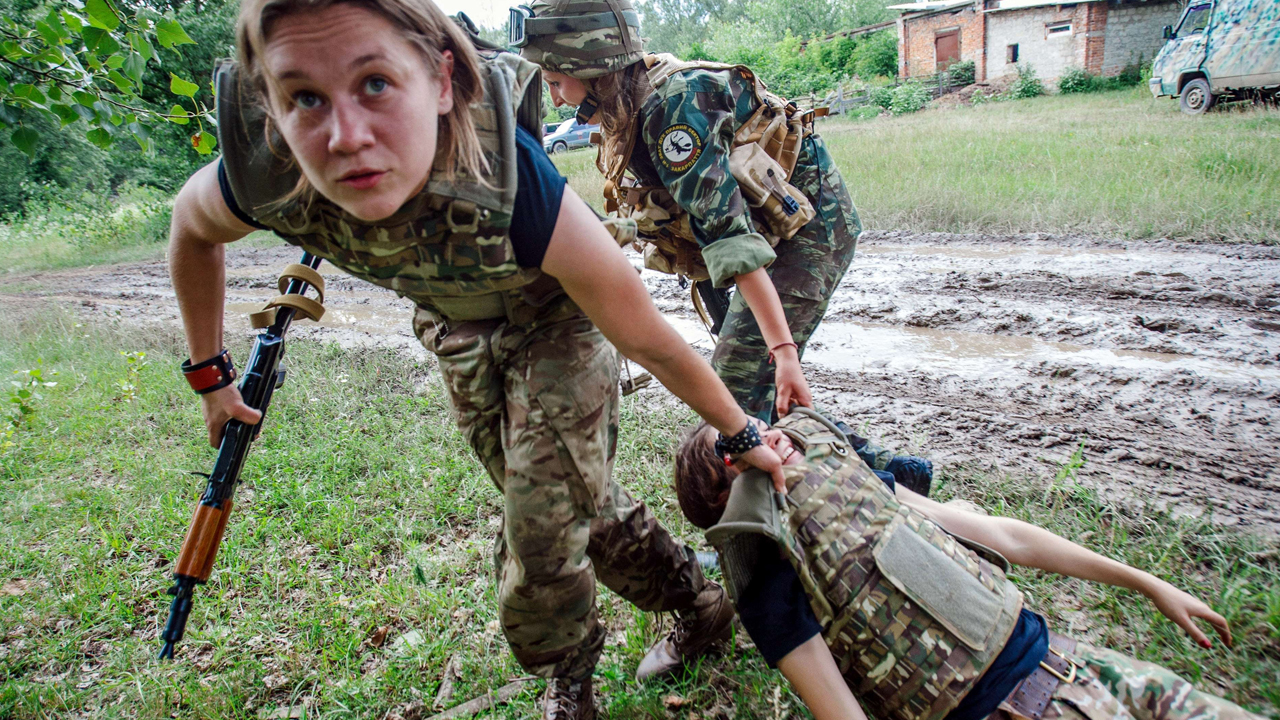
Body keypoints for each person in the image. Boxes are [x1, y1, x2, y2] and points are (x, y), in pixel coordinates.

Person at [165, 0, 792, 716]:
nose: (344, 136)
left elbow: (644, 333)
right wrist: (209, 374)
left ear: (440, 81)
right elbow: (191, 229)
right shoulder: (267, 171)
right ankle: (698, 601)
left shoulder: (514, 183)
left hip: (556, 323)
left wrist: (741, 433)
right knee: (578, 501)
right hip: (456, 331)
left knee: (540, 535)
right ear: (270, 107)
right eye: (304, 97)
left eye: (374, 84)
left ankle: (571, 675)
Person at [511, 0, 933, 495]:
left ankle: (875, 505)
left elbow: (733, 238)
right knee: (748, 388)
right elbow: (672, 214)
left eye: (558, 82)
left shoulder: (672, 114)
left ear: (592, 66)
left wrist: (784, 350)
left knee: (732, 400)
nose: (557, 100)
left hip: (808, 233)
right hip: (762, 240)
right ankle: (896, 475)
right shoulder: (629, 103)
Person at [673, 408, 1261, 720]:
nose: (762, 436)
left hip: (1079, 665)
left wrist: (1146, 581)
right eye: (734, 446)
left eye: (749, 425)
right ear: (730, 495)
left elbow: (1005, 537)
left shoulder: (855, 489)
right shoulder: (768, 583)